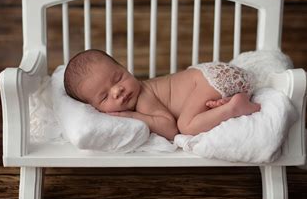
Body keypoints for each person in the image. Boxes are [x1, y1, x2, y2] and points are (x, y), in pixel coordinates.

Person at [64, 49, 261, 140]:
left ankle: (234, 107)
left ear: (126, 68)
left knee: (186, 125)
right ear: (95, 108)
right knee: (194, 111)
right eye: (104, 97)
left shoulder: (143, 96)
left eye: (118, 78)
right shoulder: (139, 93)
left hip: (212, 78)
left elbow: (169, 128)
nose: (117, 90)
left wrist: (131, 116)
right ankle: (222, 102)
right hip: (217, 77)